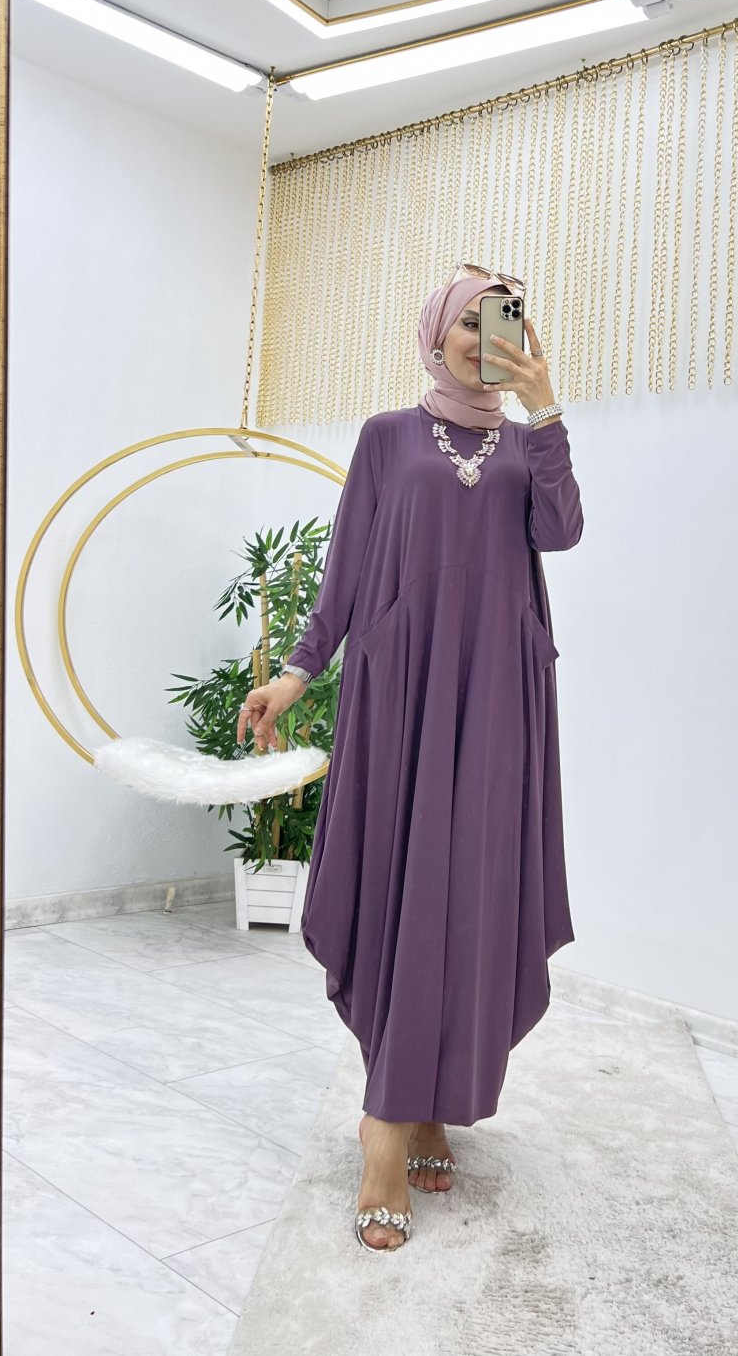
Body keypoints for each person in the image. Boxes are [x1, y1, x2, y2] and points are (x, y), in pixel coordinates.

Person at [237, 264, 584, 1250]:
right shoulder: (388, 436)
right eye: (468, 322)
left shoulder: (526, 440)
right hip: (403, 688)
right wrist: (296, 674)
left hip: (499, 692)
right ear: (435, 334)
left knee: (470, 891)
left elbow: (560, 531)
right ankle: (387, 1122)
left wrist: (546, 411)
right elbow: (346, 567)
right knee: (403, 888)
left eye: (502, 321)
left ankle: (432, 1098)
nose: (484, 337)